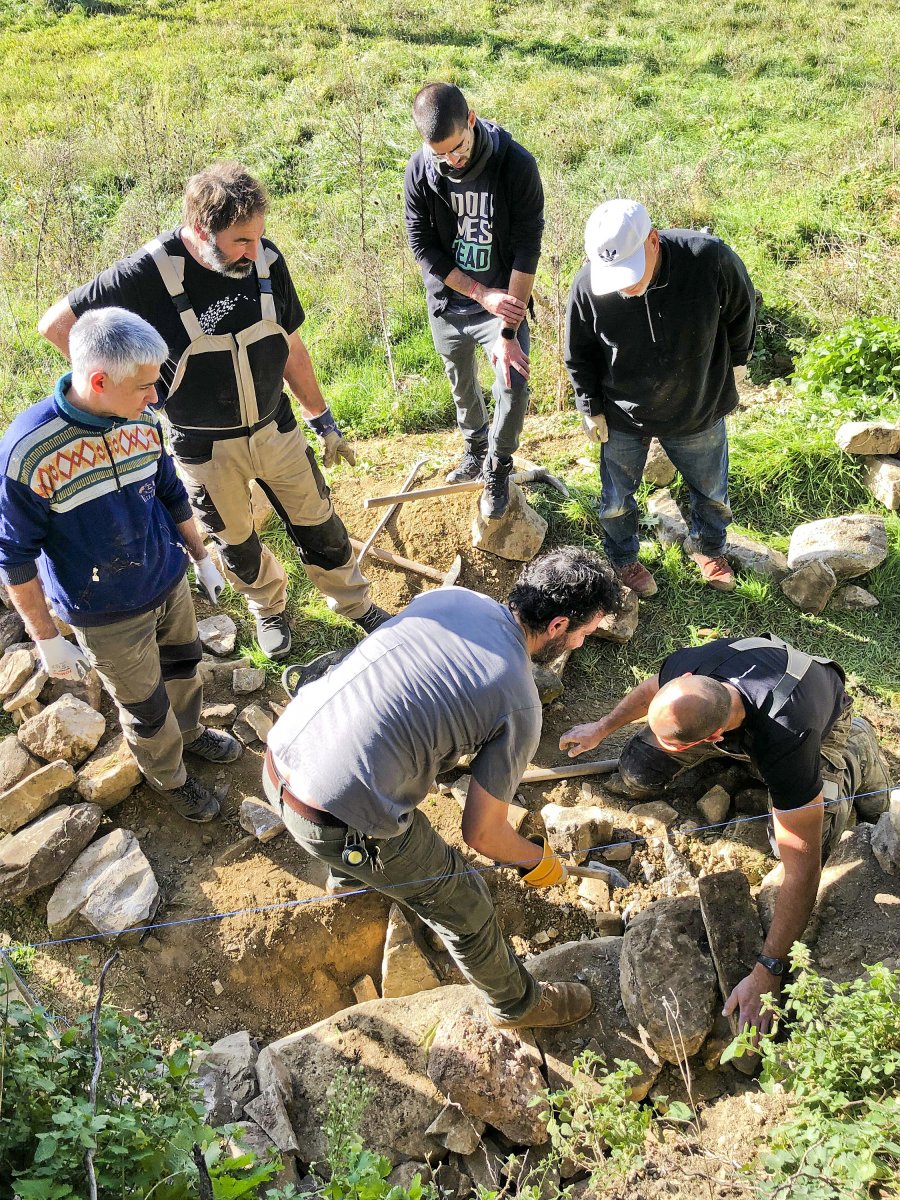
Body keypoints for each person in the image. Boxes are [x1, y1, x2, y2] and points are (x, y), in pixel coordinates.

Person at [38, 162, 388, 661]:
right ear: (202, 232)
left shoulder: (265, 262)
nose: (254, 251)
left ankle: (354, 604)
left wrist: (322, 418)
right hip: (202, 446)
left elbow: (290, 343)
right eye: (241, 241)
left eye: (259, 237)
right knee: (236, 545)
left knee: (321, 526)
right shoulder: (148, 274)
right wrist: (118, 400)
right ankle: (268, 607)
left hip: (276, 427)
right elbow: (56, 324)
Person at [264, 547, 622, 1029]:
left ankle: (353, 878)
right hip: (330, 819)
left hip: (280, 755)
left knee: (391, 814)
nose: (580, 643)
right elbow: (483, 835)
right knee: (465, 900)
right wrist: (539, 862)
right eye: (583, 632)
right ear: (558, 626)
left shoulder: (452, 598)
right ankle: (516, 1005)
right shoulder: (519, 701)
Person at [559, 633, 892, 1035]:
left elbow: (804, 872)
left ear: (712, 738)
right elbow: (652, 690)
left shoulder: (788, 738)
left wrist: (769, 969)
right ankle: (743, 762)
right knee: (637, 771)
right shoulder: (693, 669)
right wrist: (601, 727)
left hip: (821, 722)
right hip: (737, 715)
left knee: (807, 840)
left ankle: (857, 746)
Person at [0, 308, 244, 822]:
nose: (155, 398)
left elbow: (171, 493)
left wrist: (201, 559)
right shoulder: (29, 453)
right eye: (143, 388)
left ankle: (193, 732)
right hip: (105, 611)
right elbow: (14, 555)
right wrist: (45, 637)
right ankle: (169, 780)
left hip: (167, 580)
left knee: (183, 667)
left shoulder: (143, 421)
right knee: (145, 708)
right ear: (97, 381)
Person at [565, 199, 757, 597]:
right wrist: (589, 407)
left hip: (698, 402)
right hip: (622, 412)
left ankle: (709, 548)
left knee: (712, 491)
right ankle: (623, 559)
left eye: (630, 273)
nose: (623, 285)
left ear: (653, 240)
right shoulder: (587, 285)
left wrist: (739, 360)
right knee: (616, 499)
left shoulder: (708, 259)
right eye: (613, 276)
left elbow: (742, 309)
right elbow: (577, 351)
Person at [404, 83, 544, 519]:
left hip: (502, 302)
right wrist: (477, 292)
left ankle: (498, 465)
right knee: (460, 381)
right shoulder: (421, 169)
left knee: (512, 380)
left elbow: (526, 247)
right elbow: (422, 245)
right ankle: (474, 447)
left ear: (472, 119)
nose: (452, 161)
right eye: (440, 154)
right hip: (451, 300)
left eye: (458, 149)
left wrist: (507, 330)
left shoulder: (514, 164)